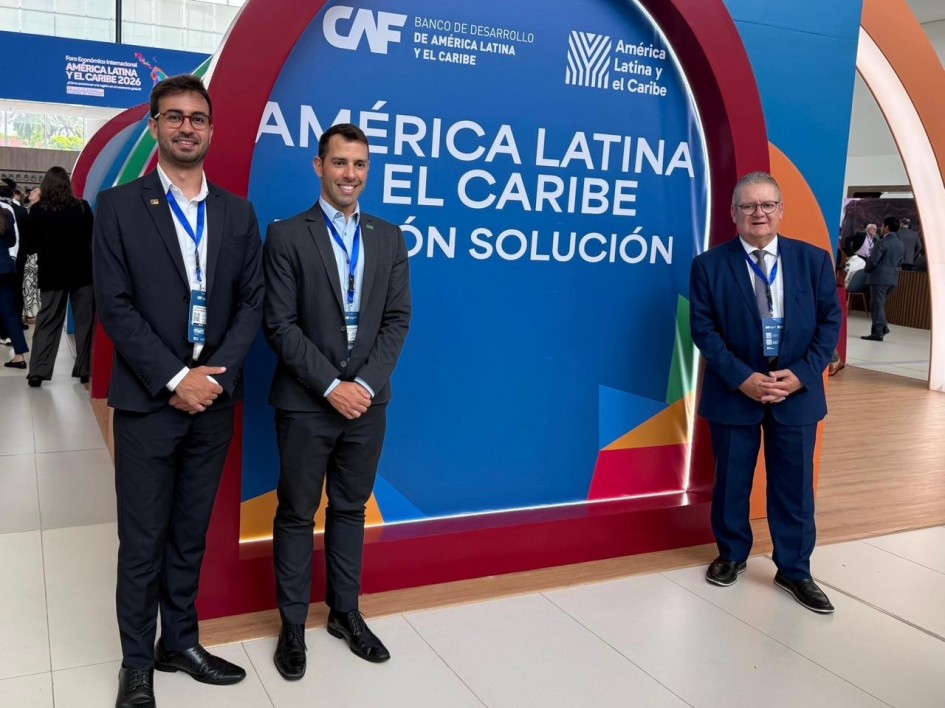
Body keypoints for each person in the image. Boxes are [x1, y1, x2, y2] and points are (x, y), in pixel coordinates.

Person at [93, 74, 264, 708]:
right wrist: (174, 378)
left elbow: (252, 303)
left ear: (211, 129)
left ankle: (180, 642)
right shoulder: (117, 207)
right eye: (174, 117)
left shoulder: (238, 213)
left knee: (191, 532)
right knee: (142, 541)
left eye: (197, 118)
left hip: (212, 402)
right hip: (149, 403)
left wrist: (210, 377)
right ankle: (137, 662)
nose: (186, 127)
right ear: (155, 127)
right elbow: (115, 306)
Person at [264, 123, 411, 678]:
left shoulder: (388, 237)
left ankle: (345, 613)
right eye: (340, 162)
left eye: (360, 164)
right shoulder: (286, 235)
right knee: (297, 513)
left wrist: (364, 387)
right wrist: (331, 386)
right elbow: (279, 324)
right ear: (319, 166)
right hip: (307, 402)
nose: (350, 174)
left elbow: (397, 320)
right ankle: (292, 624)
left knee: (350, 508)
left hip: (367, 405)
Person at [689, 171, 841, 614]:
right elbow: (703, 329)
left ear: (780, 210)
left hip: (797, 393)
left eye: (767, 204)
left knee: (795, 487)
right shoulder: (709, 265)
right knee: (732, 481)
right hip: (735, 391)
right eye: (749, 205)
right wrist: (742, 378)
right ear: (733, 213)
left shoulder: (813, 260)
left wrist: (802, 375)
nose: (759, 213)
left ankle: (794, 569)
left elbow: (830, 323)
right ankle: (732, 553)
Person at [24, 166, 95, 387]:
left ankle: (38, 371)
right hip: (83, 273)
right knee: (85, 322)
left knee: (47, 321)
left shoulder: (38, 210)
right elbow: (93, 237)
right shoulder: (82, 207)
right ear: (67, 184)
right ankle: (85, 369)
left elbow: (30, 245)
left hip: (52, 273)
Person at [861, 216, 904, 342]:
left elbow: (873, 261)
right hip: (892, 278)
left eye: (882, 225)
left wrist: (866, 269)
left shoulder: (882, 242)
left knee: (877, 303)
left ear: (887, 227)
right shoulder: (900, 243)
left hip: (879, 278)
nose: (881, 228)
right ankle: (883, 327)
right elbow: (900, 261)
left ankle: (878, 332)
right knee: (877, 303)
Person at [0, 208, 29, 368]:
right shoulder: (6, 214)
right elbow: (12, 241)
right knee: (10, 314)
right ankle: (19, 356)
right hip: (5, 268)